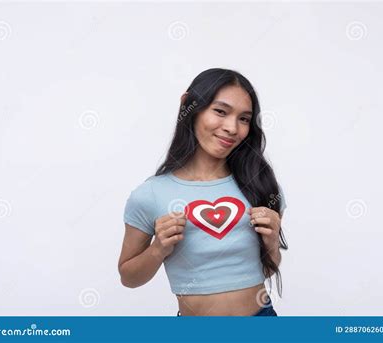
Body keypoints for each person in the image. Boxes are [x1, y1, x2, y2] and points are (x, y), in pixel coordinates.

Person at [118, 68, 288, 316]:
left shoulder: (259, 184)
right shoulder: (151, 194)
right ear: (189, 106)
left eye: (244, 119)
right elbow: (129, 278)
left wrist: (272, 243)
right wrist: (157, 250)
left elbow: (265, 270)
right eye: (220, 111)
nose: (232, 128)